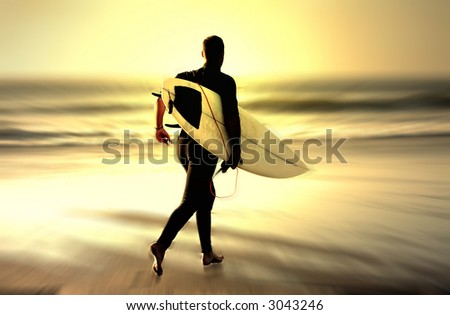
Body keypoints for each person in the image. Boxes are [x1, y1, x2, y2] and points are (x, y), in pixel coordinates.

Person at [150, 35, 241, 276]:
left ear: (202, 54)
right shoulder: (225, 83)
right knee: (192, 199)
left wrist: (158, 127)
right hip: (205, 148)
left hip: (183, 144)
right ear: (222, 55)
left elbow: (161, 97)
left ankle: (207, 253)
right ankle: (161, 245)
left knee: (205, 195)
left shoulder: (184, 78)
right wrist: (235, 149)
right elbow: (232, 117)